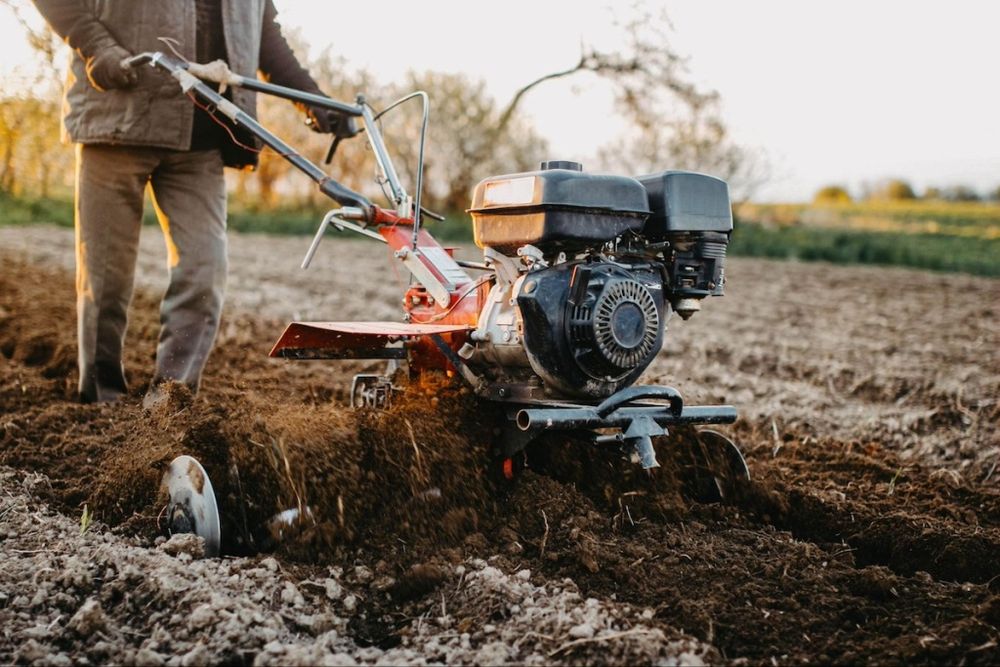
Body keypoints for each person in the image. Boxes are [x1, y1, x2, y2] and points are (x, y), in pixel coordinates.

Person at [31, 0, 356, 404]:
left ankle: (170, 403)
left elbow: (264, 34)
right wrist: (98, 46)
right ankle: (101, 403)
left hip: (203, 139)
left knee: (205, 272)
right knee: (106, 280)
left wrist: (312, 97)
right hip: (117, 120)